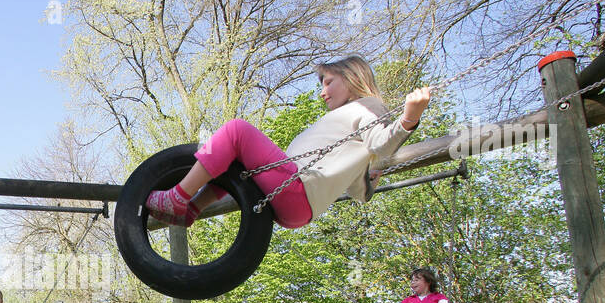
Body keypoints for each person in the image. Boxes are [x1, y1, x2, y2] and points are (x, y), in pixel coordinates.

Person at [146, 56, 432, 229]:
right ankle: (192, 209)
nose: (323, 92)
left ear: (352, 77)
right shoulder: (350, 126)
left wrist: (409, 118)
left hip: (295, 189)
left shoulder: (368, 106)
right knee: (232, 162)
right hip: (298, 209)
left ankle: (177, 198)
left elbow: (382, 145)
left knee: (236, 131)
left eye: (328, 82)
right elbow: (360, 192)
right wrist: (370, 180)